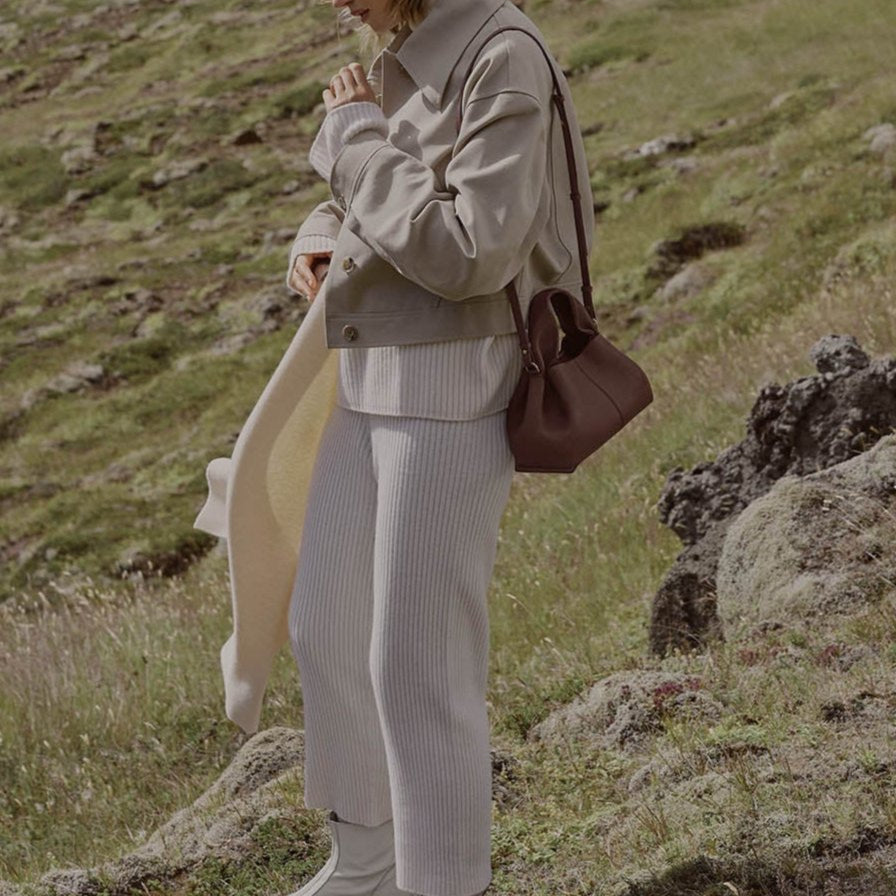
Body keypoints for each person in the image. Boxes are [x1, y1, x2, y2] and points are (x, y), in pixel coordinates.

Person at [282, 1, 595, 895]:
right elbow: (392, 186)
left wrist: (352, 141)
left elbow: (472, 251)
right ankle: (367, 863)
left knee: (417, 668)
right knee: (325, 630)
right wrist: (319, 236)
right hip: (366, 374)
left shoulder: (502, 54)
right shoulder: (404, 48)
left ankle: (446, 882)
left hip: (453, 386)